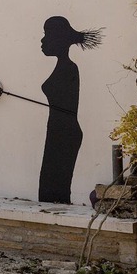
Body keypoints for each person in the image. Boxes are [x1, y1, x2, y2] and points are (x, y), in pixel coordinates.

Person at [38, 16, 103, 203]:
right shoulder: (64, 67)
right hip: (59, 130)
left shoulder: (69, 68)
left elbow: (67, 106)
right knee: (51, 187)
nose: (43, 40)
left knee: (54, 188)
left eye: (47, 35)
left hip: (64, 132)